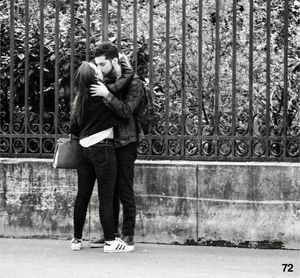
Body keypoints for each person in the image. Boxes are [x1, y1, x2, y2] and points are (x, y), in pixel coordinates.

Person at [69, 61, 134, 253]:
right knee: (106, 197)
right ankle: (110, 241)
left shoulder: (79, 100)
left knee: (82, 196)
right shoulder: (102, 97)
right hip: (103, 150)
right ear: (94, 77)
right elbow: (123, 115)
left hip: (83, 151)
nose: (99, 69)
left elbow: (74, 128)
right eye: (96, 68)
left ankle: (76, 240)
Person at [88, 41, 144, 251]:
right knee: (109, 190)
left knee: (124, 189)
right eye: (98, 65)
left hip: (127, 142)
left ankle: (128, 236)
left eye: (102, 64)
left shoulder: (135, 84)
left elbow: (127, 111)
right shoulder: (111, 80)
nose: (100, 69)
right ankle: (109, 234)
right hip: (109, 141)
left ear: (113, 61)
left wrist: (107, 96)